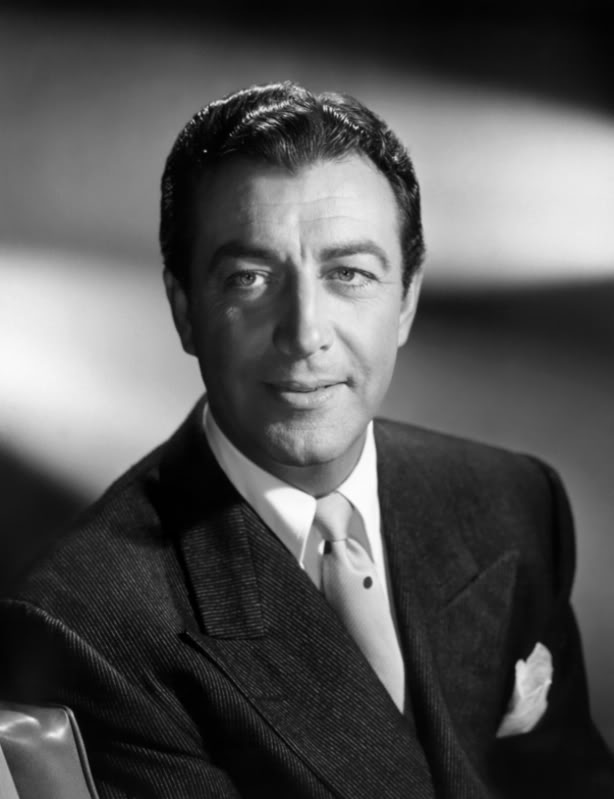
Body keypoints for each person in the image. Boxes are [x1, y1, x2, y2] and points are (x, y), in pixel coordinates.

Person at [0, 81, 612, 799]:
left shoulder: (515, 501)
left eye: (349, 273)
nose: (305, 333)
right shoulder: (88, 624)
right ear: (185, 309)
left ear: (406, 301)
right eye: (251, 278)